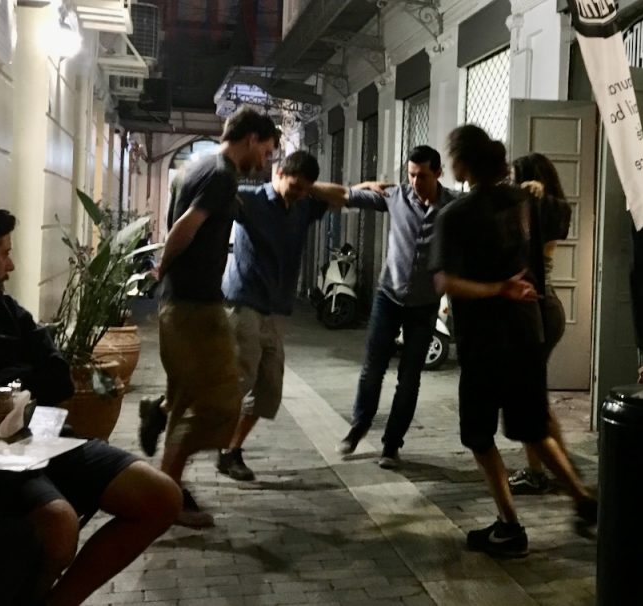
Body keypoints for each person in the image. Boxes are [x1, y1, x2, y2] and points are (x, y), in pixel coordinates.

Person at [0, 200, 181, 606]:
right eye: (5, 254)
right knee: (59, 523)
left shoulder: (3, 311)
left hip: (41, 439)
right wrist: (16, 384)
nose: (11, 266)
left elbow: (57, 376)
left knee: (161, 497)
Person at [430, 125, 596, 558]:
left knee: (479, 437)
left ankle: (509, 525)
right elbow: (556, 223)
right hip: (526, 331)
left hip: (485, 341)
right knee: (533, 427)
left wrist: (494, 289)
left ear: (463, 164)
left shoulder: (456, 215)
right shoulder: (526, 202)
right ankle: (584, 500)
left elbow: (446, 281)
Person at [138, 106, 279, 527]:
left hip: (188, 303)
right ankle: (167, 495)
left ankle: (167, 484)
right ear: (251, 138)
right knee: (216, 402)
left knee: (191, 399)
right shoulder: (220, 174)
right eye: (268, 150)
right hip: (195, 306)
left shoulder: (193, 169)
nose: (267, 160)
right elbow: (185, 226)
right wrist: (163, 267)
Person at [323, 146, 459, 469]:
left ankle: (391, 445)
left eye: (422, 175)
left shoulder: (453, 205)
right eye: (410, 174)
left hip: (424, 305)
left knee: (409, 377)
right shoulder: (396, 197)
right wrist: (362, 185)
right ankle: (359, 427)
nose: (414, 182)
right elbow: (345, 197)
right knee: (372, 369)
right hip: (389, 296)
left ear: (438, 173)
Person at [217, 151, 342, 480]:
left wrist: (311, 190)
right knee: (237, 382)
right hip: (243, 302)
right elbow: (210, 199)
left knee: (268, 389)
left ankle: (230, 450)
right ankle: (204, 438)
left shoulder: (303, 205)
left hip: (276, 309)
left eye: (305, 189)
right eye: (294, 186)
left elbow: (341, 196)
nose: (298, 194)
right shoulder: (251, 201)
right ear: (278, 173)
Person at [506, 153, 574, 495]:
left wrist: (536, 195)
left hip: (540, 310)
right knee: (535, 398)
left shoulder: (549, 209)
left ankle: (545, 472)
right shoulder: (543, 208)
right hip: (547, 308)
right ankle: (557, 467)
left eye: (517, 178)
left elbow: (545, 217)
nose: (512, 186)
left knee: (532, 400)